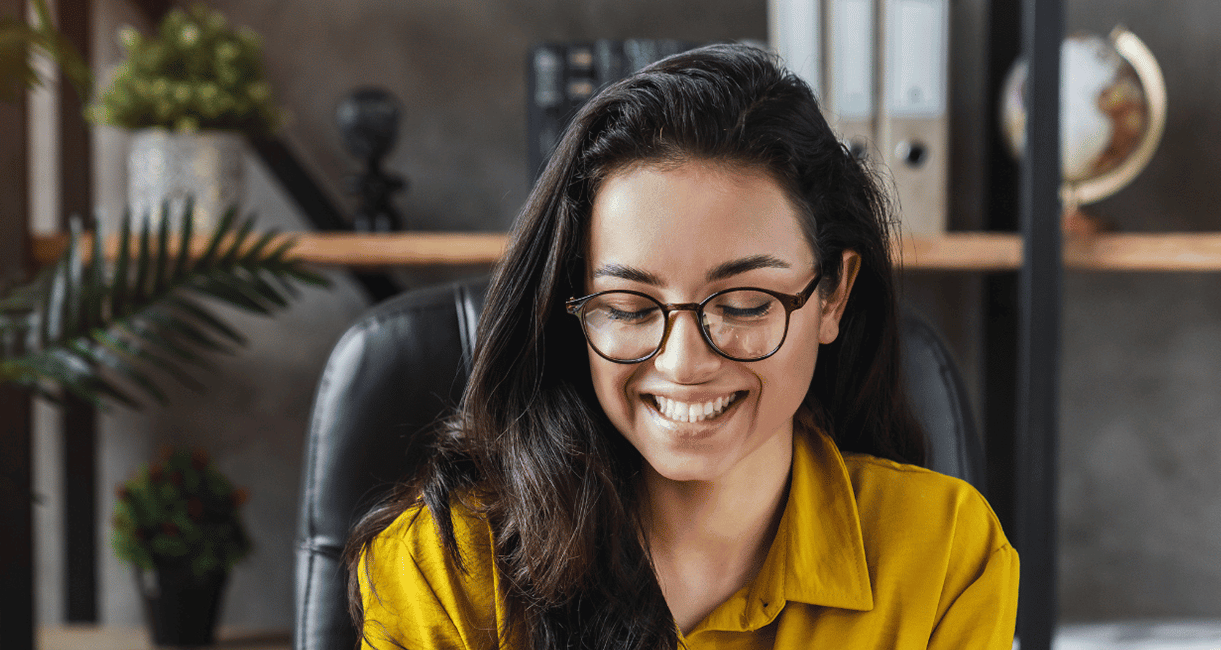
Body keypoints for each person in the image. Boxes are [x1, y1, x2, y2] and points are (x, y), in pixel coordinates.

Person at [345, 43, 1018, 650]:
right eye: (631, 307)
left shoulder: (945, 553)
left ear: (831, 296)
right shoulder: (446, 569)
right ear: (573, 310)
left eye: (744, 303)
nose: (683, 363)